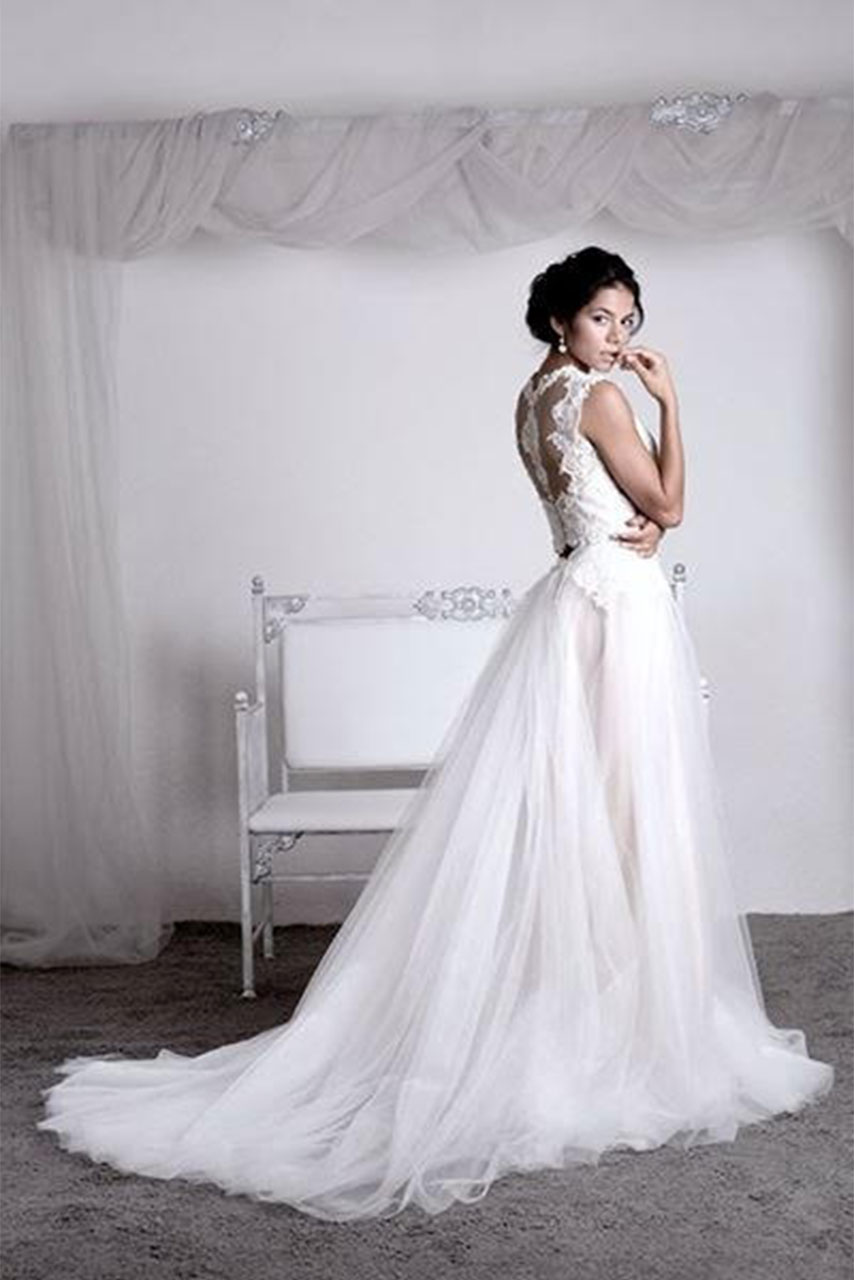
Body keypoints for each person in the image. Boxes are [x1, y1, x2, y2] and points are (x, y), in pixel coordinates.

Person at [38, 246, 834, 1222]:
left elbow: (594, 509)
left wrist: (646, 518)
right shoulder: (599, 397)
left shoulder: (533, 396)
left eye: (629, 321)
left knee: (587, 810)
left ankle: (593, 997)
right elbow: (667, 504)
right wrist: (670, 405)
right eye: (601, 318)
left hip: (573, 598)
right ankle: (623, 1020)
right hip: (616, 610)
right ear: (560, 321)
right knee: (626, 810)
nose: (618, 337)